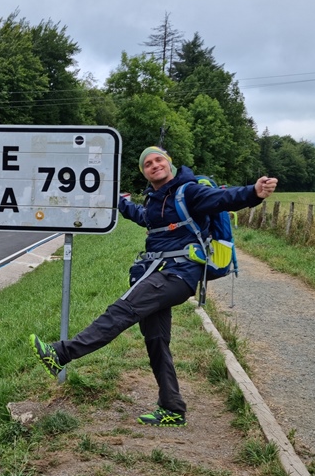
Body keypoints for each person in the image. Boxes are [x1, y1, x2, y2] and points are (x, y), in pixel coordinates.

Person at [30, 146, 278, 427]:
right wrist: (111, 197)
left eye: (158, 159)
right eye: (147, 163)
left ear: (169, 163)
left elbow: (224, 198)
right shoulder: (154, 201)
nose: (154, 165)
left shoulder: (190, 192)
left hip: (178, 275)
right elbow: (140, 215)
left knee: (122, 310)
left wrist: (253, 192)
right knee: (156, 342)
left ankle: (62, 353)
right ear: (145, 173)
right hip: (157, 273)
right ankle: (172, 408)